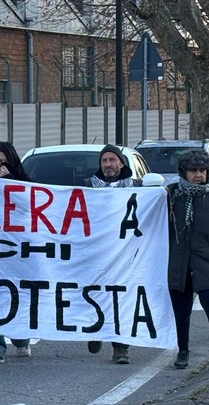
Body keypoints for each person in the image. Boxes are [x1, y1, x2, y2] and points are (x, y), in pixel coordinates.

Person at [167, 149, 209, 369]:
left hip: (208, 260)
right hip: (177, 262)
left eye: (202, 170)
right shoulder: (170, 194)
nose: (198, 175)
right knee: (181, 309)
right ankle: (183, 351)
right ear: (183, 172)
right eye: (193, 170)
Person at [85, 144, 141, 364]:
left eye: (112, 160)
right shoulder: (87, 187)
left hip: (126, 256)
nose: (108, 165)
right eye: (104, 161)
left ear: (121, 163)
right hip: (96, 254)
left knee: (122, 298)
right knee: (96, 295)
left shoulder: (138, 187)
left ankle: (121, 348)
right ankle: (95, 330)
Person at [0, 141, 32, 366]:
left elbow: (30, 207)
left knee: (15, 295)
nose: (1, 166)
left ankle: (20, 337)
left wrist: (10, 181)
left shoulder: (26, 183)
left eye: (6, 162)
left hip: (16, 252)